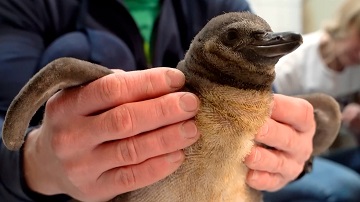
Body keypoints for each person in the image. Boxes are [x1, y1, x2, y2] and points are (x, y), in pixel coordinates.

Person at [0, 0, 322, 201]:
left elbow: (275, 112)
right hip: (66, 188)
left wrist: (292, 152)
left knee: (339, 188)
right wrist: (34, 162)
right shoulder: (30, 5)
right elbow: (7, 120)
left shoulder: (215, 4)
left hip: (230, 183)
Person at [266, 0, 360, 201]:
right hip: (287, 155)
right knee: (348, 189)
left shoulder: (355, 68)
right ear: (346, 25)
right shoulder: (292, 64)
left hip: (326, 152)